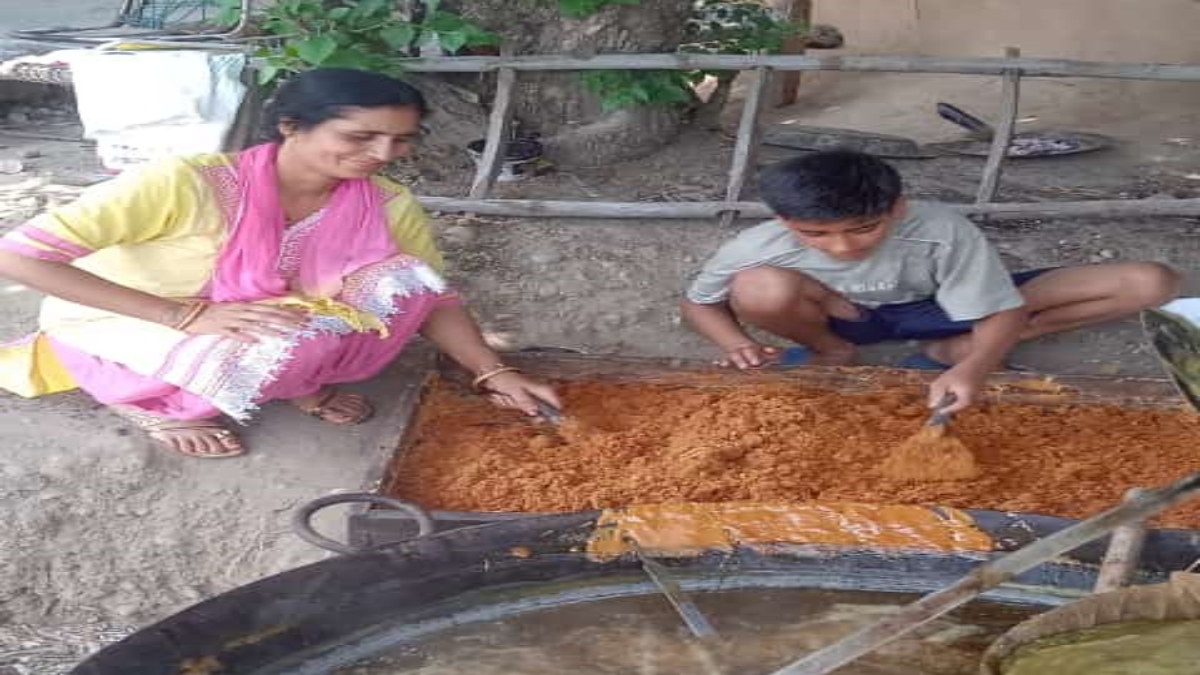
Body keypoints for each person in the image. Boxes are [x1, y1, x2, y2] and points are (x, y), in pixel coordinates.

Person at [0, 67, 558, 458]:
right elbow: (18, 257)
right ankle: (147, 401)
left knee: (403, 285)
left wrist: (493, 370)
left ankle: (293, 381)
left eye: (401, 141)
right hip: (138, 316)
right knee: (289, 342)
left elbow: (434, 299)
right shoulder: (184, 183)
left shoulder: (386, 202)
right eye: (360, 136)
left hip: (264, 319)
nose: (383, 155)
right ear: (291, 126)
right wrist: (184, 316)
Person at [681, 150, 1179, 413]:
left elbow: (1000, 307)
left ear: (898, 208)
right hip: (847, 318)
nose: (843, 246)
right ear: (785, 221)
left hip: (943, 309)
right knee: (758, 287)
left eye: (864, 227)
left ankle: (951, 354)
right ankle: (829, 353)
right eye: (816, 234)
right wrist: (736, 343)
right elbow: (699, 304)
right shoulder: (759, 244)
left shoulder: (941, 229)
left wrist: (978, 367)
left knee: (1148, 282)